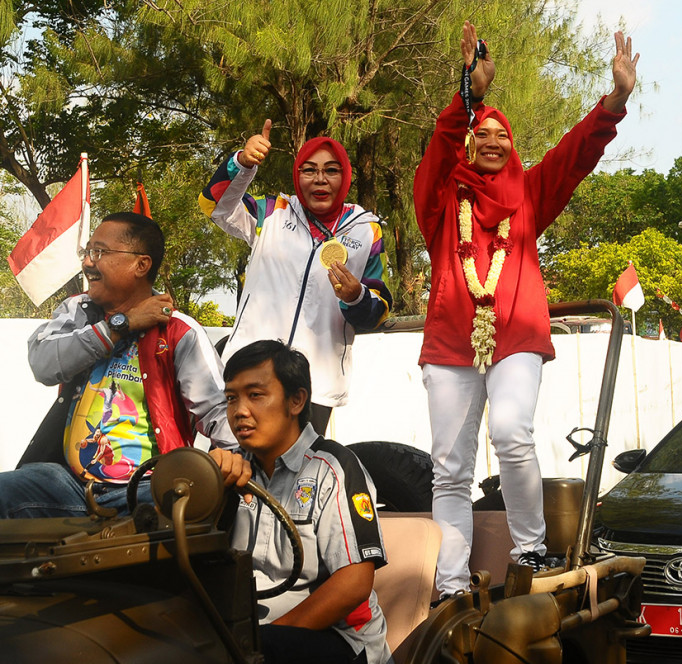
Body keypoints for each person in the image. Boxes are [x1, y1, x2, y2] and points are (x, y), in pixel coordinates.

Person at [413, 21, 638, 599]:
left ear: (513, 147)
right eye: (481, 134)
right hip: (450, 346)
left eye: (501, 136)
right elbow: (439, 152)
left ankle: (532, 550)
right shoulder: (441, 201)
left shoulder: (531, 195)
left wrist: (613, 102)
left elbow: (575, 154)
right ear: (467, 141)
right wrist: (470, 98)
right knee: (450, 470)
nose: (491, 142)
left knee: (513, 432)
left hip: (516, 338)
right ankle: (450, 583)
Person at [1, 213, 237, 518]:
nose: (87, 263)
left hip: (146, 487)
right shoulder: (78, 310)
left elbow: (218, 412)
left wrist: (234, 459)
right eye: (86, 252)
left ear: (141, 264)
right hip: (66, 481)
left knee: (167, 519)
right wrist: (120, 325)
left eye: (99, 252)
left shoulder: (179, 331)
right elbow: (43, 364)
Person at [208, 340, 392, 664]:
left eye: (256, 395)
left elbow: (354, 583)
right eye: (231, 398)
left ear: (296, 400)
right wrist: (207, 482)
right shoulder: (228, 470)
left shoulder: (332, 468)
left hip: (339, 646)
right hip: (249, 636)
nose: (239, 411)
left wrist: (256, 646)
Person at [200, 121, 393, 434]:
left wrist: (355, 297)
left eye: (331, 170)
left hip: (315, 386)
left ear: (345, 177)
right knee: (236, 473)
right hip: (250, 375)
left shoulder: (366, 230)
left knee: (299, 477)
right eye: (309, 170)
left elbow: (379, 307)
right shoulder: (271, 213)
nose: (320, 179)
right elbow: (214, 205)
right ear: (297, 175)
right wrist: (242, 163)